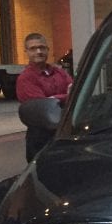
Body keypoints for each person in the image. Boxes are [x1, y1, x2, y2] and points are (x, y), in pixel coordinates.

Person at [17, 32, 72, 161]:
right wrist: (65, 97)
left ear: (48, 49)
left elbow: (75, 93)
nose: (38, 51)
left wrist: (54, 98)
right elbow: (43, 107)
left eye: (42, 47)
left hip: (64, 133)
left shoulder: (59, 72)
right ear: (26, 52)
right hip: (41, 138)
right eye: (33, 48)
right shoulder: (25, 78)